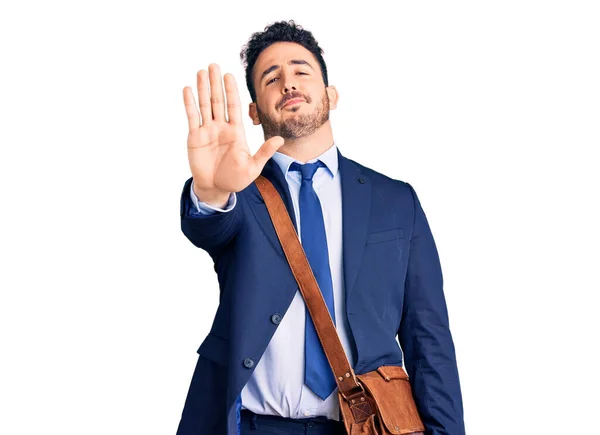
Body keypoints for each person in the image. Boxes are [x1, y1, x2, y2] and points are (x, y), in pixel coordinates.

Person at [176, 20, 465, 435]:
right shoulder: (241, 196)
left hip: (368, 427)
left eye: (301, 70)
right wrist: (210, 190)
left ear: (330, 95)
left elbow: (429, 339)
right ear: (255, 111)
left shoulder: (396, 201)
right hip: (256, 427)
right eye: (271, 78)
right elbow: (210, 229)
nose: (288, 83)